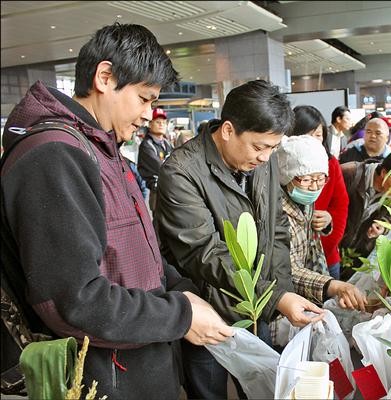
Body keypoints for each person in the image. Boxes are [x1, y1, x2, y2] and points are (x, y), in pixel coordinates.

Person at [0, 23, 232, 399]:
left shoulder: (104, 150)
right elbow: (74, 301)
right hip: (102, 379)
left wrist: (185, 292)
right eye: (144, 98)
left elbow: (142, 258)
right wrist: (181, 315)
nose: (148, 114)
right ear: (105, 77)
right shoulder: (55, 156)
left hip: (139, 366)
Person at [154, 80, 324, 399]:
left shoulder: (263, 159)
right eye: (259, 147)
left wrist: (281, 294)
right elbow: (204, 253)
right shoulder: (181, 171)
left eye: (273, 148)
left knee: (263, 389)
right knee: (210, 391)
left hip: (255, 305)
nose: (265, 157)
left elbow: (276, 231)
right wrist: (276, 299)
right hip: (208, 313)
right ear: (229, 130)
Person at [276, 134, 365, 308]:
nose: (315, 187)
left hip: (305, 287)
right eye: (307, 179)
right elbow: (287, 268)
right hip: (284, 300)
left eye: (321, 179)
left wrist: (326, 223)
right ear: (286, 176)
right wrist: (332, 285)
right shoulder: (276, 211)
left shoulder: (304, 200)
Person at [290, 105, 349, 279]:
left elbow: (341, 205)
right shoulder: (281, 167)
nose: (313, 141)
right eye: (307, 136)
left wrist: (329, 221)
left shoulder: (331, 164)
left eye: (318, 135)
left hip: (326, 257)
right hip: (290, 261)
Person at [339, 149, 391, 279]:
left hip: (353, 254)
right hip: (328, 248)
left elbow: (390, 215)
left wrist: (383, 225)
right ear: (384, 172)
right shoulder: (349, 174)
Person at [138, 107, 173, 212]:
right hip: (157, 192)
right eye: (158, 121)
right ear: (150, 124)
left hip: (170, 188)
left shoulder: (167, 143)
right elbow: (162, 167)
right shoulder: (146, 145)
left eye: (163, 122)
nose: (161, 124)